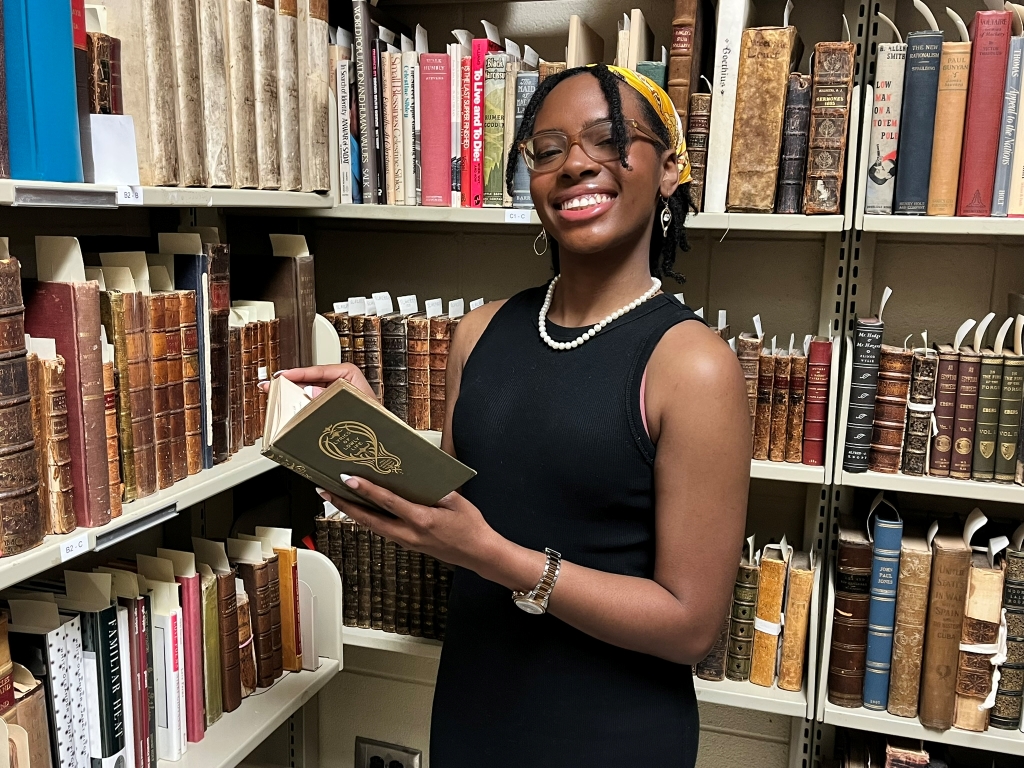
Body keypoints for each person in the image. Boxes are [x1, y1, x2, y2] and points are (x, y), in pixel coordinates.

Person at [283, 63, 750, 767]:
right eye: (549, 149)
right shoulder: (478, 334)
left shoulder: (694, 365)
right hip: (475, 709)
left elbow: (691, 626)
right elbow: (459, 515)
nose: (575, 166)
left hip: (613, 736)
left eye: (609, 140)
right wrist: (374, 433)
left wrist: (496, 559)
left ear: (670, 170)